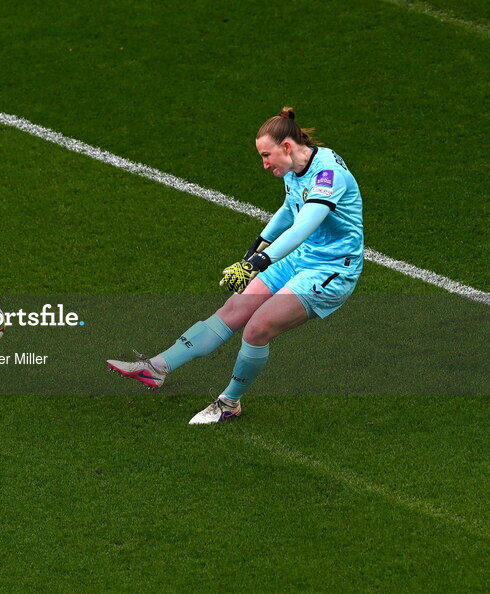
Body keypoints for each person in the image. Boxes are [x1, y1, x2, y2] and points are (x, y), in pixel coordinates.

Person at [107, 108, 363, 423]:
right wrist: (250, 255)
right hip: (299, 257)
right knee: (234, 310)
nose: (264, 163)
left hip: (331, 270)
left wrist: (259, 261)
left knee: (257, 329)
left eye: (267, 155)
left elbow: (301, 228)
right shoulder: (296, 168)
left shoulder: (328, 175)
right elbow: (288, 210)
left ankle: (229, 403)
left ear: (287, 146)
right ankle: (156, 367)